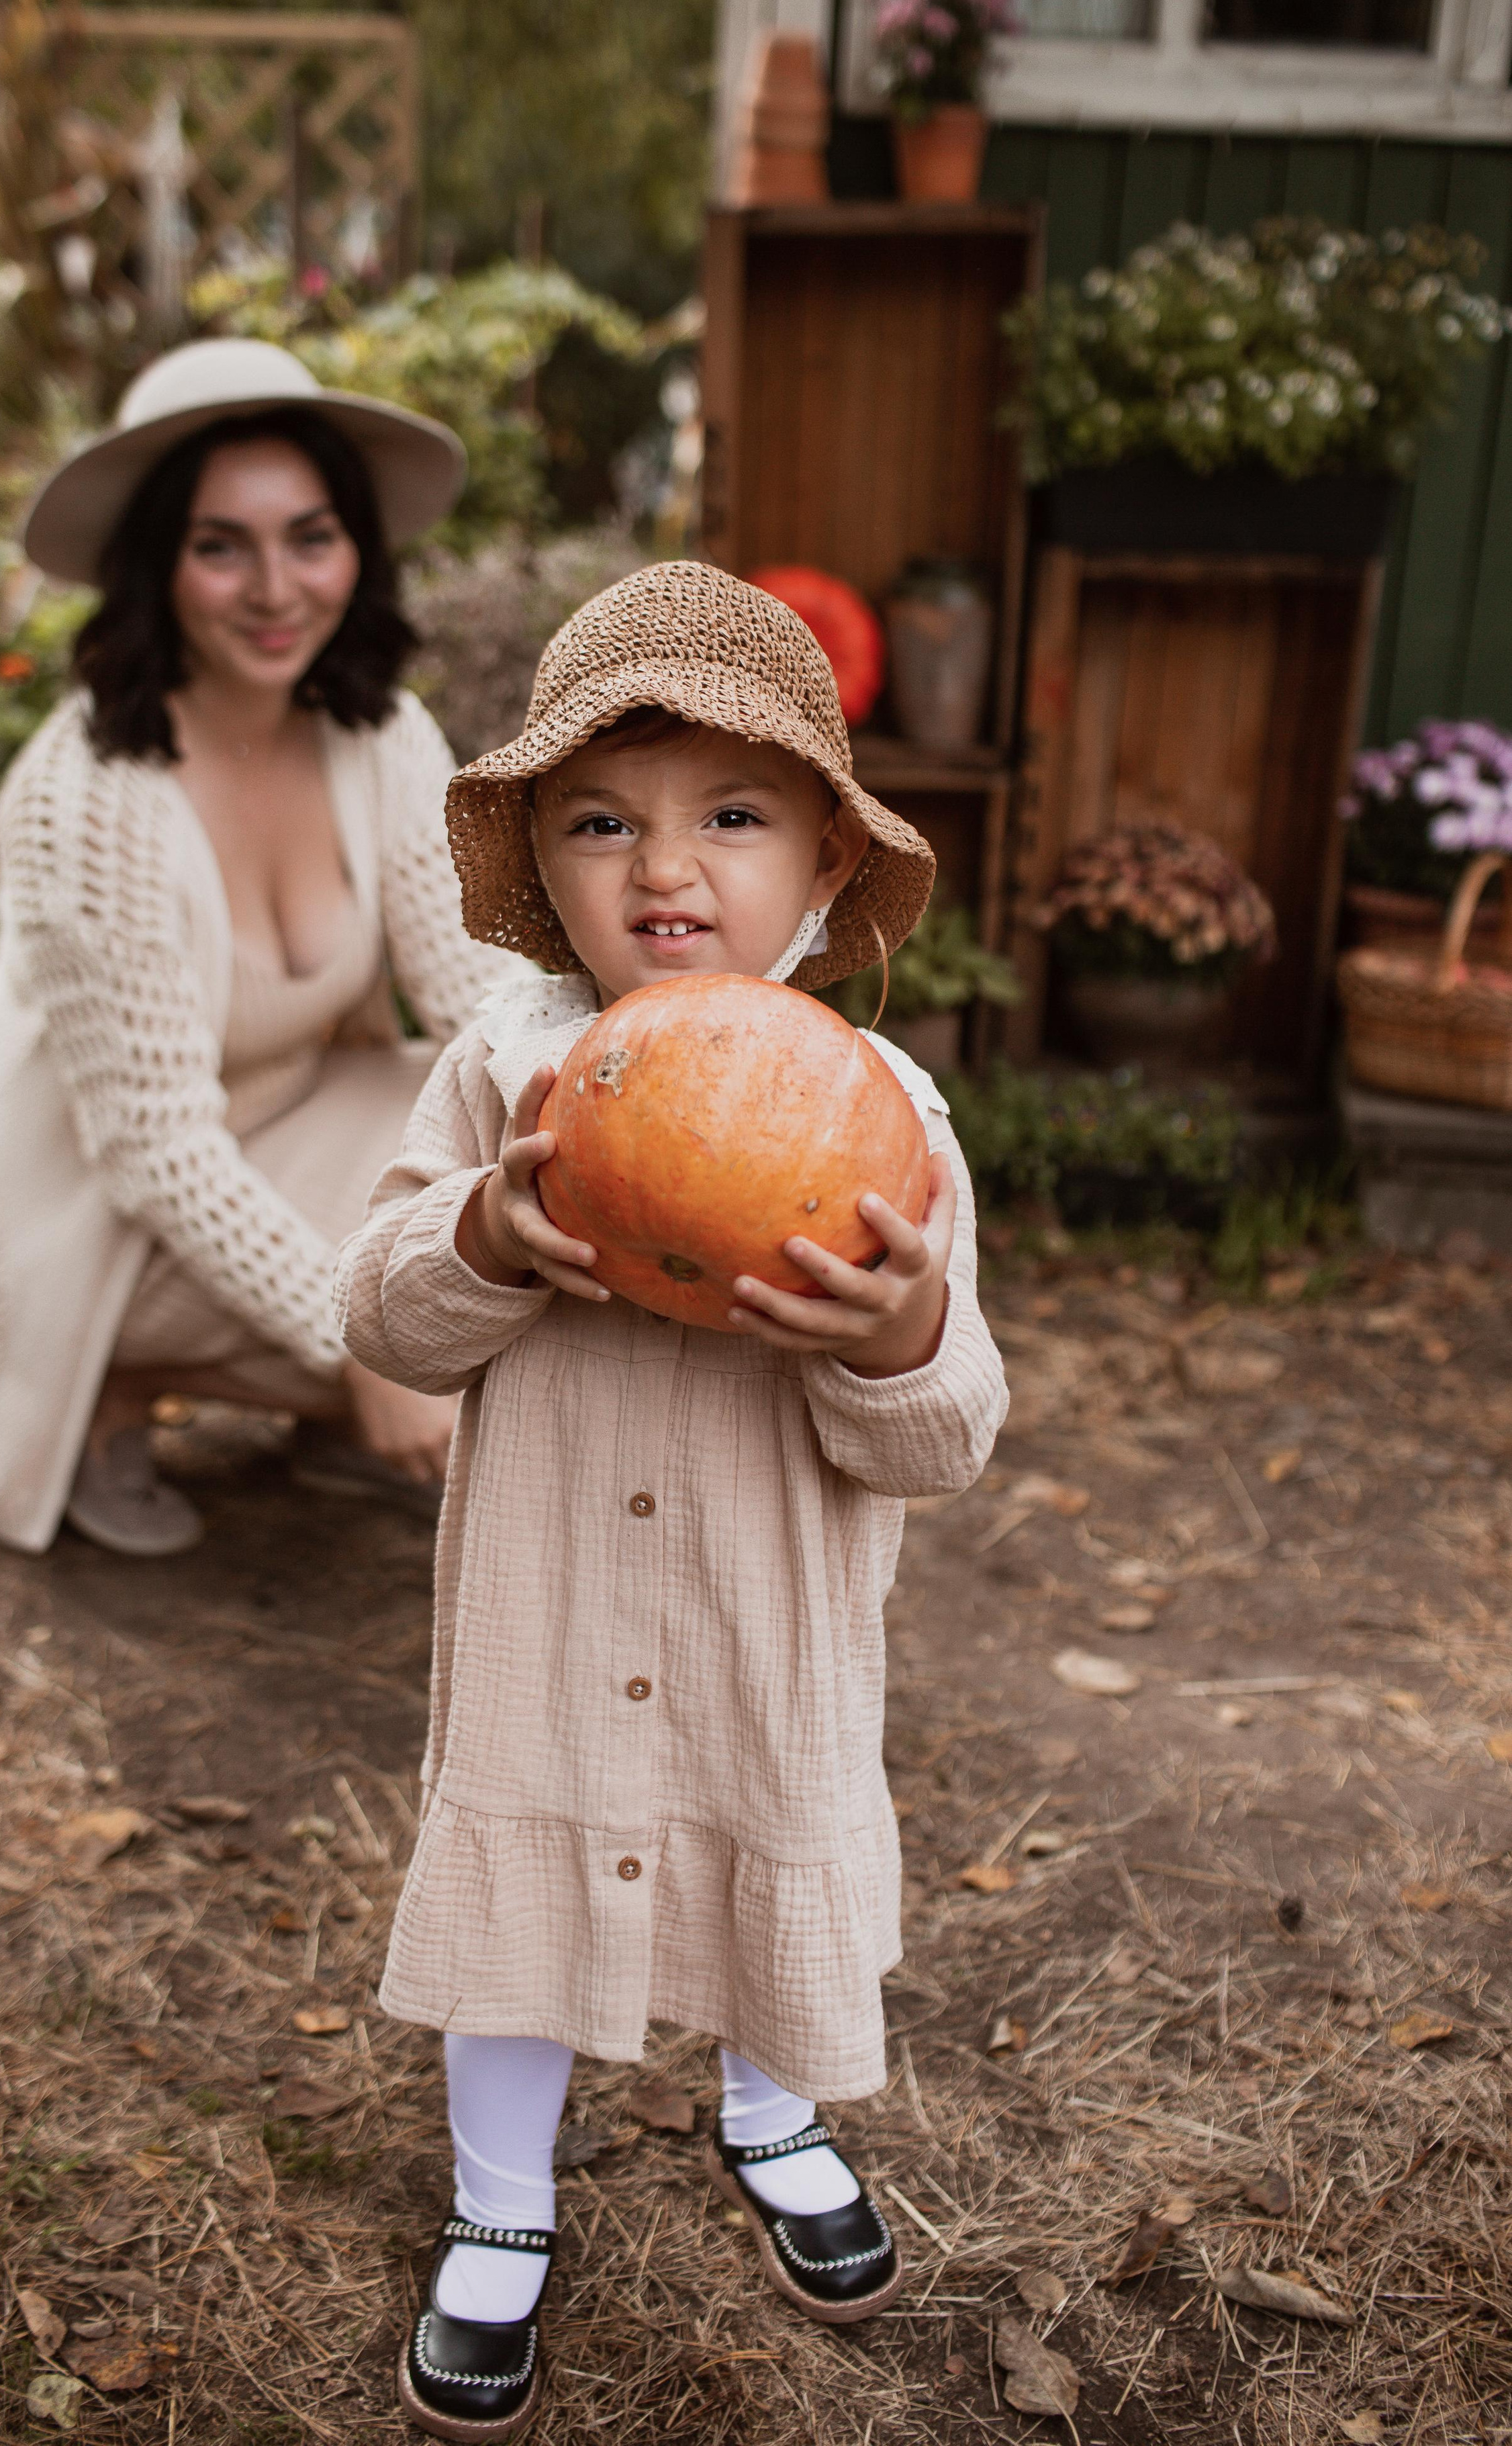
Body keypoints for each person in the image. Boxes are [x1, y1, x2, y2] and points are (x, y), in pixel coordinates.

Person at [334, 562, 1008, 2441]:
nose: (666, 868)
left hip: (762, 1628)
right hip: (548, 1620)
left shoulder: (885, 1112)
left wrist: (898, 1329)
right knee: (520, 1895)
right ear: (541, 864)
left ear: (820, 867)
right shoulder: (506, 1072)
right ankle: (502, 2202)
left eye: (731, 815)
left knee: (768, 1854)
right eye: (603, 822)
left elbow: (948, 1437)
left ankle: (776, 2116)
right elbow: (380, 1310)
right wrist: (488, 1230)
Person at [0, 338, 510, 1557]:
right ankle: (104, 1393)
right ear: (156, 566)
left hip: (279, 1118)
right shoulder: (84, 795)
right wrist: (373, 1346)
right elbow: (155, 1157)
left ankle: (334, 1408)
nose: (275, 587)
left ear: (357, 546)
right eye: (219, 546)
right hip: (91, 1203)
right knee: (429, 1257)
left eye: (311, 537)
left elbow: (480, 998)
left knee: (508, 1158)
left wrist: (638, 1101)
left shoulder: (380, 732)